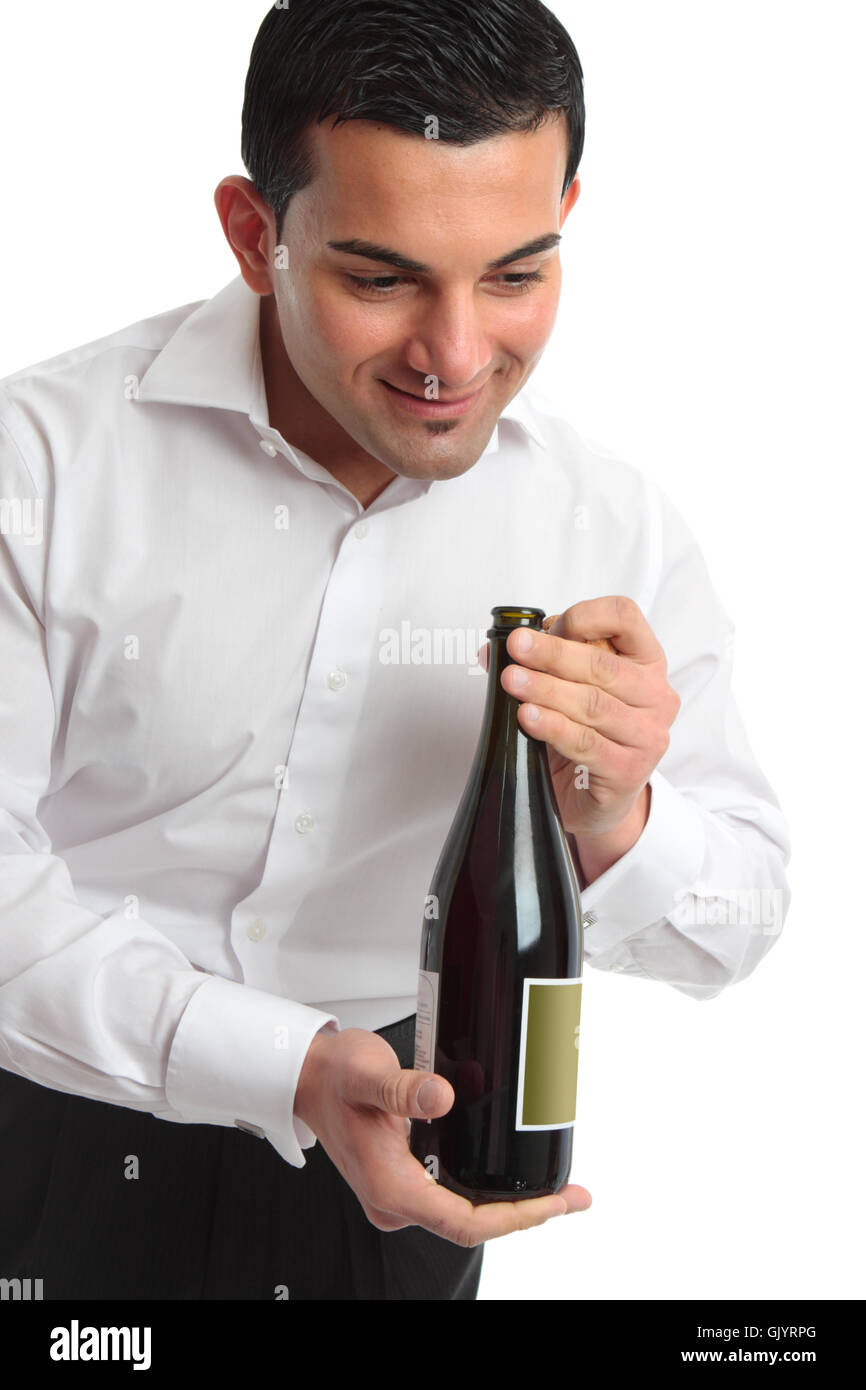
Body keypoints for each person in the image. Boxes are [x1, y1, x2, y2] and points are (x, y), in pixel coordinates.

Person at [0, 0, 790, 1301]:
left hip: (399, 1165)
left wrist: (616, 812)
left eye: (515, 274)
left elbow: (735, 923)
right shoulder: (41, 463)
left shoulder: (608, 524)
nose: (457, 355)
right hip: (47, 1125)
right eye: (381, 278)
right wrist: (284, 1061)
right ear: (256, 235)